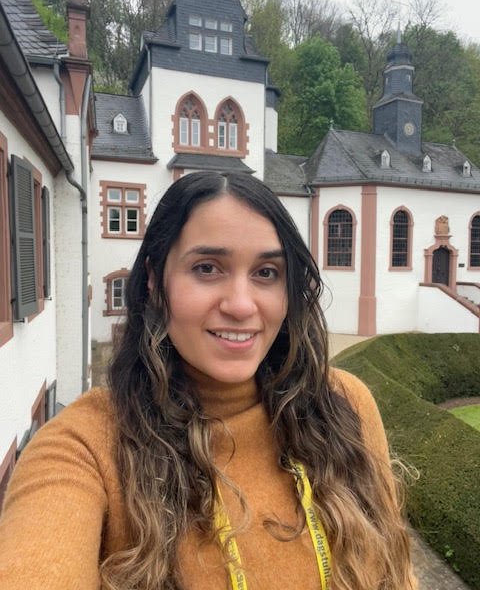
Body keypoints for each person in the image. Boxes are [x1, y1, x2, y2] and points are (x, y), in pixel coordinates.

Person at [0, 171, 415, 589]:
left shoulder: (343, 405)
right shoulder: (86, 446)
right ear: (154, 279)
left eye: (266, 272)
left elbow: (398, 576)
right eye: (207, 268)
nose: (241, 305)